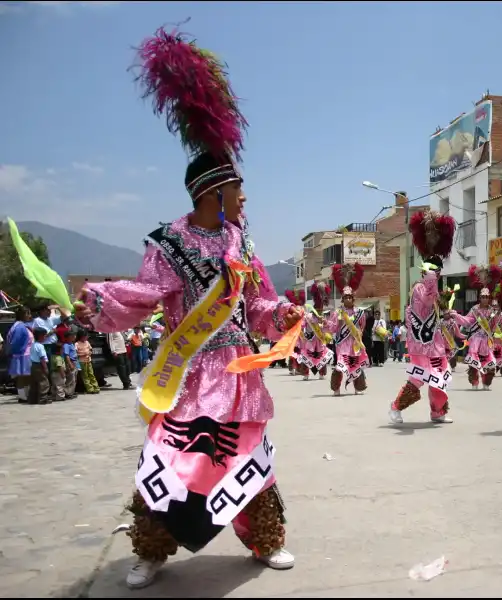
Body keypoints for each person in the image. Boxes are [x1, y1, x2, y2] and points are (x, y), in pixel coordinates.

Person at [73, 27, 303, 589]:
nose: (245, 198)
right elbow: (146, 296)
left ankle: (266, 539)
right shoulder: (166, 243)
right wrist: (100, 301)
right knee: (167, 464)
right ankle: (151, 550)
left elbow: (256, 305)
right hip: (187, 372)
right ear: (212, 192)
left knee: (249, 458)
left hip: (236, 372)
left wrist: (282, 316)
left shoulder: (241, 245)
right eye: (238, 189)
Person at [389, 209, 456, 425]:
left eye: (438, 271)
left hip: (435, 344)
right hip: (420, 344)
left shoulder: (436, 291)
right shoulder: (419, 288)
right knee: (418, 378)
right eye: (432, 271)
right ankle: (396, 407)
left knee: (439, 378)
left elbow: (439, 313)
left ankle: (438, 412)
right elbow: (426, 302)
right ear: (424, 272)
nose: (436, 274)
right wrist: (430, 282)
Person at [456, 267, 502, 390]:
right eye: (483, 297)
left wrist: (497, 315)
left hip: (487, 339)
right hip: (476, 339)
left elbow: (495, 325)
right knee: (473, 362)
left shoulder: (492, 310)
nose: (485, 299)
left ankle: (487, 382)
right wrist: (456, 316)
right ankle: (474, 381)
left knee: (489, 362)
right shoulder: (475, 310)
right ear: (479, 298)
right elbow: (467, 321)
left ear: (489, 298)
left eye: (487, 297)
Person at [327, 263, 369, 395]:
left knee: (356, 365)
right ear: (342, 299)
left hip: (355, 343)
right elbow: (333, 329)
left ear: (353, 298)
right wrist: (333, 322)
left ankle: (358, 388)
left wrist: (359, 337)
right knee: (340, 366)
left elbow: (362, 326)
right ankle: (336, 388)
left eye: (350, 297)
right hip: (342, 343)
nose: (348, 299)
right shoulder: (338, 312)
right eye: (346, 297)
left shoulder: (359, 312)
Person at [298, 282, 332, 380]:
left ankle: (322, 373)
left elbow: (328, 329)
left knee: (322, 356)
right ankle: (306, 374)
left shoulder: (323, 318)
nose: (320, 312)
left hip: (320, 340)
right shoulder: (308, 317)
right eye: (318, 310)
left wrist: (325, 323)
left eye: (321, 310)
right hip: (310, 339)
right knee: (308, 356)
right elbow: (302, 325)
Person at [8, 306, 34, 402]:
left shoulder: (22, 325)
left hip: (25, 354)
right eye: (28, 314)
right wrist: (16, 353)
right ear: (23, 315)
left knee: (26, 376)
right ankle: (22, 396)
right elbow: (15, 343)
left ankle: (26, 394)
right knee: (22, 377)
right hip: (22, 355)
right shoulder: (19, 327)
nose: (30, 316)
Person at [27, 328, 50, 404]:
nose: (45, 337)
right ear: (40, 336)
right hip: (39, 365)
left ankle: (32, 399)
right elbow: (42, 358)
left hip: (32, 365)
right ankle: (43, 399)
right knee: (44, 382)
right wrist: (45, 368)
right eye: (44, 336)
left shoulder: (33, 345)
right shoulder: (40, 346)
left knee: (34, 383)